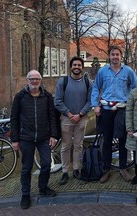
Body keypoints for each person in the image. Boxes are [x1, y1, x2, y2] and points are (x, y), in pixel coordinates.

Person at [10, 70, 57, 210]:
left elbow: (52, 117)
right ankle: (25, 194)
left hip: (43, 137)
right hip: (26, 138)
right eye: (32, 79)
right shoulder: (20, 97)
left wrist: (53, 135)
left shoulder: (47, 96)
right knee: (26, 168)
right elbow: (14, 118)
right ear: (27, 80)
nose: (34, 81)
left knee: (47, 163)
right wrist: (15, 139)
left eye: (37, 79)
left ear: (41, 80)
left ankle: (43, 187)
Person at [91, 45, 137, 183]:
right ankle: (106, 169)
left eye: (117, 54)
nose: (115, 57)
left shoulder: (128, 71)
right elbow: (95, 88)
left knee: (123, 139)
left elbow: (136, 87)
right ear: (109, 56)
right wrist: (95, 105)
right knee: (106, 140)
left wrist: (133, 102)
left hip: (122, 109)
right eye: (113, 54)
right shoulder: (103, 71)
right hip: (106, 109)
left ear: (121, 56)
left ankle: (123, 168)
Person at [54, 56, 92, 185]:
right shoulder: (63, 81)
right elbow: (57, 101)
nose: (77, 67)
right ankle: (65, 171)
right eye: (74, 65)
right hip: (66, 118)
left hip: (81, 119)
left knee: (78, 145)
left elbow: (90, 101)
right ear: (71, 67)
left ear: (82, 67)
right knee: (65, 146)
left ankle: (76, 169)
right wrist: (70, 114)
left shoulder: (88, 83)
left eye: (79, 65)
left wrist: (80, 114)